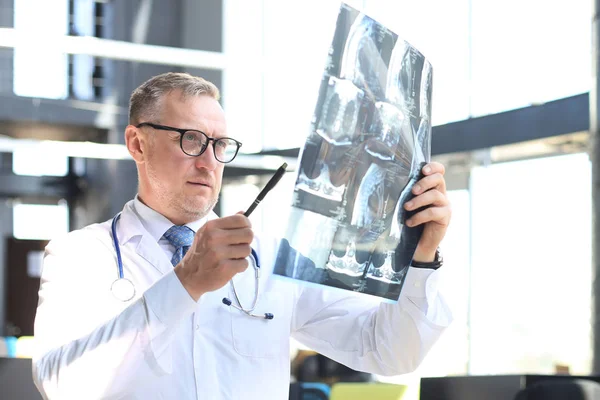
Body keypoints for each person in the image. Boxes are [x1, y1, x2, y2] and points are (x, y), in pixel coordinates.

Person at [32, 72, 453, 400]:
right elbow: (62, 383)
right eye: (191, 139)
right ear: (138, 144)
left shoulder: (271, 259)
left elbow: (389, 350)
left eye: (220, 144)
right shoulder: (80, 254)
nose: (209, 162)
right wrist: (186, 283)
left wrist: (422, 257)